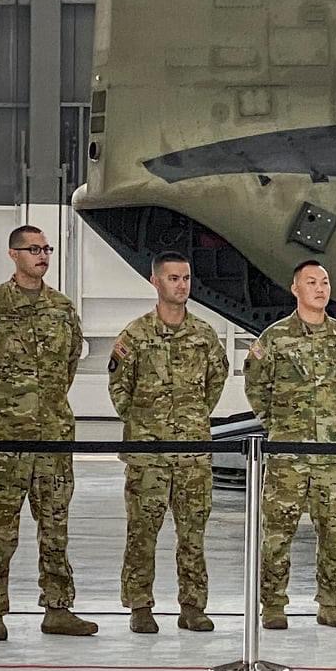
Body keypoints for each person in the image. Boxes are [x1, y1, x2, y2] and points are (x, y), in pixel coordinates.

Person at [0, 225, 96, 640]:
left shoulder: (62, 308)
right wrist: (1, 409)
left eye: (46, 249)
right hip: (4, 439)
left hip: (53, 437)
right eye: (33, 249)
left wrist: (44, 408)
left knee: (55, 526)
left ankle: (58, 608)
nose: (42, 255)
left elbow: (69, 364)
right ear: (13, 255)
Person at [245, 259, 336, 630]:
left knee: (334, 532)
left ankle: (331, 603)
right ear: (295, 289)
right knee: (278, 531)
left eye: (325, 282)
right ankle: (273, 604)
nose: (320, 288)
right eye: (312, 282)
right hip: (288, 454)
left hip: (333, 454)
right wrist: (280, 425)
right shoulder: (274, 338)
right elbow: (256, 387)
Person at [108, 251, 229, 634]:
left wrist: (189, 420)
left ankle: (192, 606)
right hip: (149, 454)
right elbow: (119, 391)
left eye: (186, 278)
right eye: (173, 278)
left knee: (193, 533)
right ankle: (140, 605)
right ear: (155, 282)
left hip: (193, 452)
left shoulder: (205, 335)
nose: (182, 285)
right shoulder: (135, 335)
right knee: (142, 532)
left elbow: (214, 385)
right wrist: (148, 424)